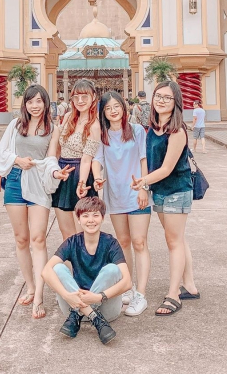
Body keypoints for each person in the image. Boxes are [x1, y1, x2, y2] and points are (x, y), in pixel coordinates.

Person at [132, 80, 200, 316]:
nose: (161, 100)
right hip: (159, 191)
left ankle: (173, 294)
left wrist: (143, 182)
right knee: (178, 239)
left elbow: (168, 168)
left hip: (176, 190)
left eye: (167, 98)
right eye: (158, 96)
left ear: (176, 103)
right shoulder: (153, 127)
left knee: (174, 242)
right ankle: (189, 285)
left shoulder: (177, 131)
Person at [0, 84, 61, 319]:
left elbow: (52, 158)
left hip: (39, 183)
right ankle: (30, 286)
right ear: (25, 104)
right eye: (30, 101)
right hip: (14, 181)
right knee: (21, 239)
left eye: (39, 101)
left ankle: (40, 295)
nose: (34, 106)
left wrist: (55, 173)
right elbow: (1, 152)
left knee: (38, 238)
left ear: (45, 103)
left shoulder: (53, 128)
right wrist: (17, 160)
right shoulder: (15, 125)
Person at [41, 197, 132, 344]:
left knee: (112, 269)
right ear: (78, 219)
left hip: (105, 307)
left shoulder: (111, 243)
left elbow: (127, 282)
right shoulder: (72, 242)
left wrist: (98, 297)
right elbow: (45, 271)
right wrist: (67, 295)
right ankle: (93, 317)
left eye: (95, 215)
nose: (91, 220)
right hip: (73, 303)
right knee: (57, 268)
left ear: (102, 218)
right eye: (85, 215)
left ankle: (80, 314)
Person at [92, 91, 150, 316]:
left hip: (137, 194)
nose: (113, 111)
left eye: (117, 106)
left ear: (124, 108)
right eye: (108, 108)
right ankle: (128, 286)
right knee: (123, 242)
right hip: (114, 195)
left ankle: (141, 294)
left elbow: (144, 159)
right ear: (103, 113)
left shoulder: (136, 131)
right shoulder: (103, 135)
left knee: (139, 242)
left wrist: (144, 186)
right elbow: (98, 160)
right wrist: (97, 177)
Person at [51, 79, 101, 239]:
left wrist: (81, 183)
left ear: (93, 97)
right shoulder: (67, 117)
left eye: (84, 96)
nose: (80, 101)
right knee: (66, 231)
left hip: (80, 174)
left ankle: (84, 263)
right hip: (62, 174)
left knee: (83, 231)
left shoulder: (94, 125)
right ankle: (71, 263)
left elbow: (87, 159)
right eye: (76, 97)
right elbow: (58, 148)